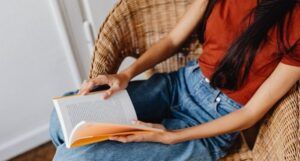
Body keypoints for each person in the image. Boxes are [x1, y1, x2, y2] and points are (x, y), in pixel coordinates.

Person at [49, 0, 300, 160]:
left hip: (211, 123)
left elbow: (251, 114)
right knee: (61, 120)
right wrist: (126, 74)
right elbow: (171, 40)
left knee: (74, 158)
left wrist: (172, 136)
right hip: (178, 85)